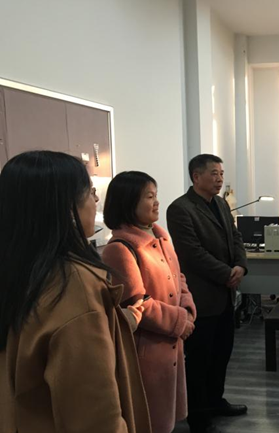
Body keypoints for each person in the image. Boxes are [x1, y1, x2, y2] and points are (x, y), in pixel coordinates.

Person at [0, 151, 151, 433]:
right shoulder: (74, 285)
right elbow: (96, 418)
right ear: (66, 207)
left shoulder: (19, 271)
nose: (96, 201)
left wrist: (121, 320)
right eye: (91, 192)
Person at [101, 171, 197, 433]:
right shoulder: (120, 248)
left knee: (165, 419)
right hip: (147, 351)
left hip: (170, 344)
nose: (157, 202)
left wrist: (188, 310)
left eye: (156, 195)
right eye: (149, 196)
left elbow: (179, 278)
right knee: (149, 421)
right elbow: (138, 303)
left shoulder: (159, 236)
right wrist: (181, 321)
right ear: (129, 201)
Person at [167, 154, 248, 433]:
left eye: (221, 173)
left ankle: (216, 401)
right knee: (199, 359)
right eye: (214, 173)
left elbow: (235, 237)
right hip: (201, 296)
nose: (219, 178)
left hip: (225, 296)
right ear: (196, 176)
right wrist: (226, 273)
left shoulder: (221, 204)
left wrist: (241, 265)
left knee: (221, 354)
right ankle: (198, 416)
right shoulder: (180, 209)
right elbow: (192, 253)